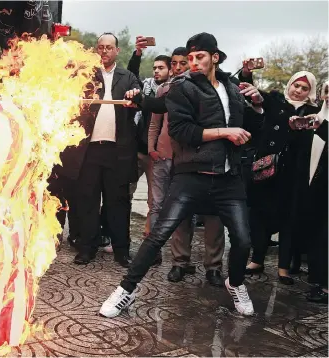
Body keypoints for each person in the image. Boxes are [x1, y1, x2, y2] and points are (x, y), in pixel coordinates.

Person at [99, 32, 264, 317]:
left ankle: (235, 283)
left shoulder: (234, 87)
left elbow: (251, 130)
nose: (194, 63)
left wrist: (259, 105)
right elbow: (181, 132)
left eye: (200, 57)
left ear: (215, 57)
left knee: (243, 240)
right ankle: (125, 290)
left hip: (228, 178)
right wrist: (225, 132)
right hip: (191, 175)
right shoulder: (182, 87)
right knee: (158, 234)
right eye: (190, 58)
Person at [147, 46, 226, 283]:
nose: (181, 67)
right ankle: (180, 263)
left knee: (213, 215)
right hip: (174, 160)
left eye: (188, 61)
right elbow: (155, 119)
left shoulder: (216, 90)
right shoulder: (168, 89)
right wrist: (153, 149)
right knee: (179, 214)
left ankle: (214, 267)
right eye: (176, 63)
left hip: (208, 160)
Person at [69, 32, 140, 267]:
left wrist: (134, 96)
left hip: (118, 151)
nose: (105, 51)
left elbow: (138, 100)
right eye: (101, 47)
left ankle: (122, 251)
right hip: (89, 150)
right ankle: (86, 248)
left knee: (117, 202)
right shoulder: (87, 75)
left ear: (117, 51)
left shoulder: (128, 77)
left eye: (109, 47)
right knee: (87, 200)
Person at [245, 72, 320, 285]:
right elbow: (256, 97)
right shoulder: (276, 101)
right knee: (259, 215)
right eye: (296, 85)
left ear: (309, 92)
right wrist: (247, 74)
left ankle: (283, 267)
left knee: (288, 218)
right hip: (268, 169)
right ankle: (256, 259)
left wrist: (301, 127)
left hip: (294, 173)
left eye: (304, 88)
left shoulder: (313, 112)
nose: (298, 91)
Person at [126, 36, 171, 238]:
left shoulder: (174, 91)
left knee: (155, 202)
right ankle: (115, 234)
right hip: (137, 150)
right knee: (124, 192)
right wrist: (137, 53)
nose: (156, 71)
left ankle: (150, 241)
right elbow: (131, 75)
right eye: (154, 68)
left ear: (170, 70)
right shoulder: (146, 86)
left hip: (157, 155)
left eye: (161, 68)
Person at [305, 81, 328, 304]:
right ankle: (318, 281)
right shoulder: (317, 116)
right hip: (319, 185)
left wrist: (322, 128)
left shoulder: (321, 122)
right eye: (327, 91)